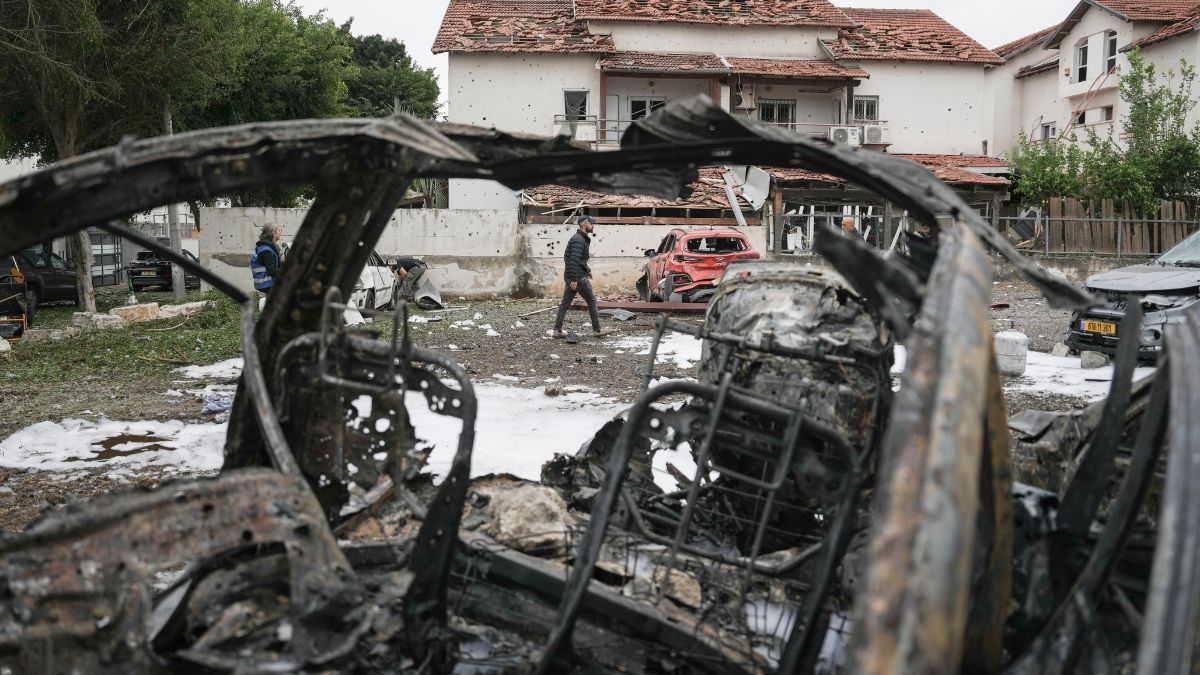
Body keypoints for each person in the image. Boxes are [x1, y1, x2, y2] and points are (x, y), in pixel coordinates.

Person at [553, 215, 611, 339]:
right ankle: (597, 330)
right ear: (584, 224)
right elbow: (573, 261)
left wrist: (587, 270)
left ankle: (557, 330)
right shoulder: (578, 240)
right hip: (577, 277)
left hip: (575, 275)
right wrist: (574, 279)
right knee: (591, 301)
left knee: (565, 304)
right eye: (591, 223)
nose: (593, 225)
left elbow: (579, 260)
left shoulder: (580, 239)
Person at [250, 223, 283, 294]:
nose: (281, 233)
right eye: (279, 230)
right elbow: (272, 271)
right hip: (268, 284)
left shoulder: (265, 246)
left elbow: (274, 265)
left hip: (267, 284)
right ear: (274, 232)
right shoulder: (266, 250)